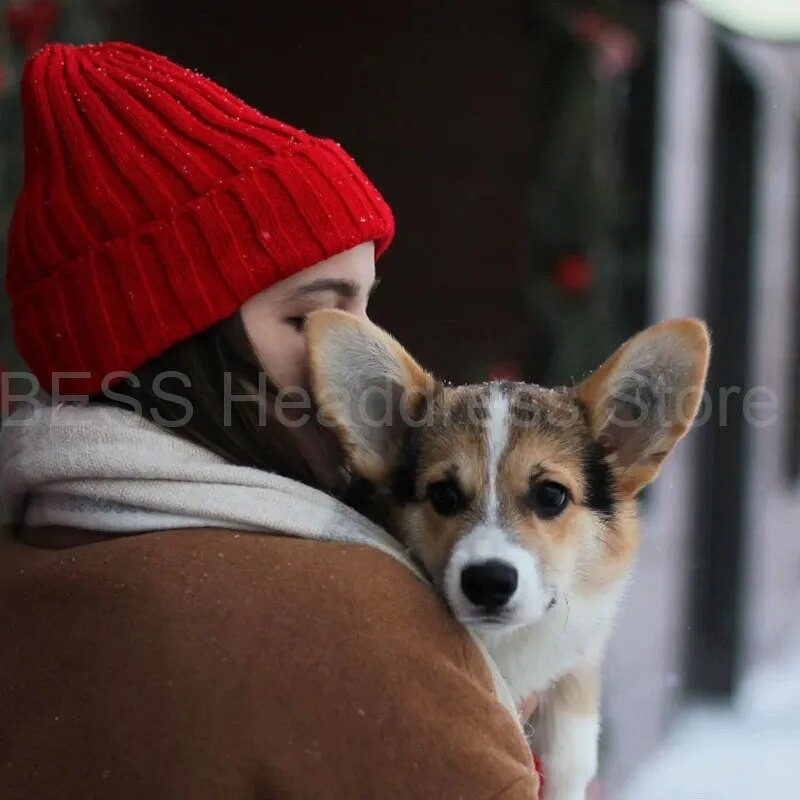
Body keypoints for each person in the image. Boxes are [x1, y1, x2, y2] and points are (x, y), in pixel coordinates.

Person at [0, 42, 540, 799]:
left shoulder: (31, 564)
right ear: (176, 350)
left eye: (366, 307)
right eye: (316, 316)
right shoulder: (346, 619)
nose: (368, 356)